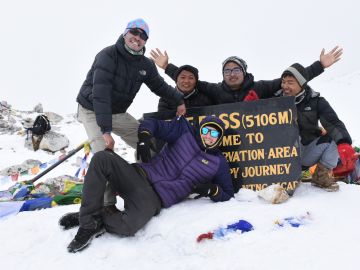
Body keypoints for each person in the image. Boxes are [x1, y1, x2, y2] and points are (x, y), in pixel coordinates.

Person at [61, 115, 234, 253]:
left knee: (128, 227)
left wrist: (212, 189)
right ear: (200, 129)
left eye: (214, 134)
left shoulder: (218, 163)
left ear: (219, 138)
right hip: (139, 175)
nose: (208, 137)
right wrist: (144, 137)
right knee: (102, 158)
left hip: (154, 198)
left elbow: (227, 193)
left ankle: (99, 219)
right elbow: (153, 124)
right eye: (206, 131)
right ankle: (88, 222)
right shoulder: (184, 132)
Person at [76, 18, 186, 208]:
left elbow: (159, 86)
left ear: (145, 41)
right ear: (125, 33)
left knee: (147, 142)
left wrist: (178, 100)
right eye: (134, 33)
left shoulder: (145, 65)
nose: (137, 38)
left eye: (143, 36)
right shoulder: (108, 55)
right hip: (93, 109)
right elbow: (100, 95)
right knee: (104, 155)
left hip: (117, 112)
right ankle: (107, 206)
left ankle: (149, 184)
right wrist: (106, 131)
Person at [150, 47, 343, 104]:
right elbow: (190, 80)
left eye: (236, 70)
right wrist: (167, 67)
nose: (231, 74)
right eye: (227, 71)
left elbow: (292, 80)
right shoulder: (216, 90)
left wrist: (319, 66)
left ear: (244, 72)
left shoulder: (260, 87)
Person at [274, 63, 355, 191]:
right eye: (283, 82)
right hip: (281, 156)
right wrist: (253, 105)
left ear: (301, 84)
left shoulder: (316, 101)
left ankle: (320, 177)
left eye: (290, 82)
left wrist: (343, 142)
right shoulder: (274, 101)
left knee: (334, 137)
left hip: (307, 151)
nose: (285, 86)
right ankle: (288, 177)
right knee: (290, 131)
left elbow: (333, 122)